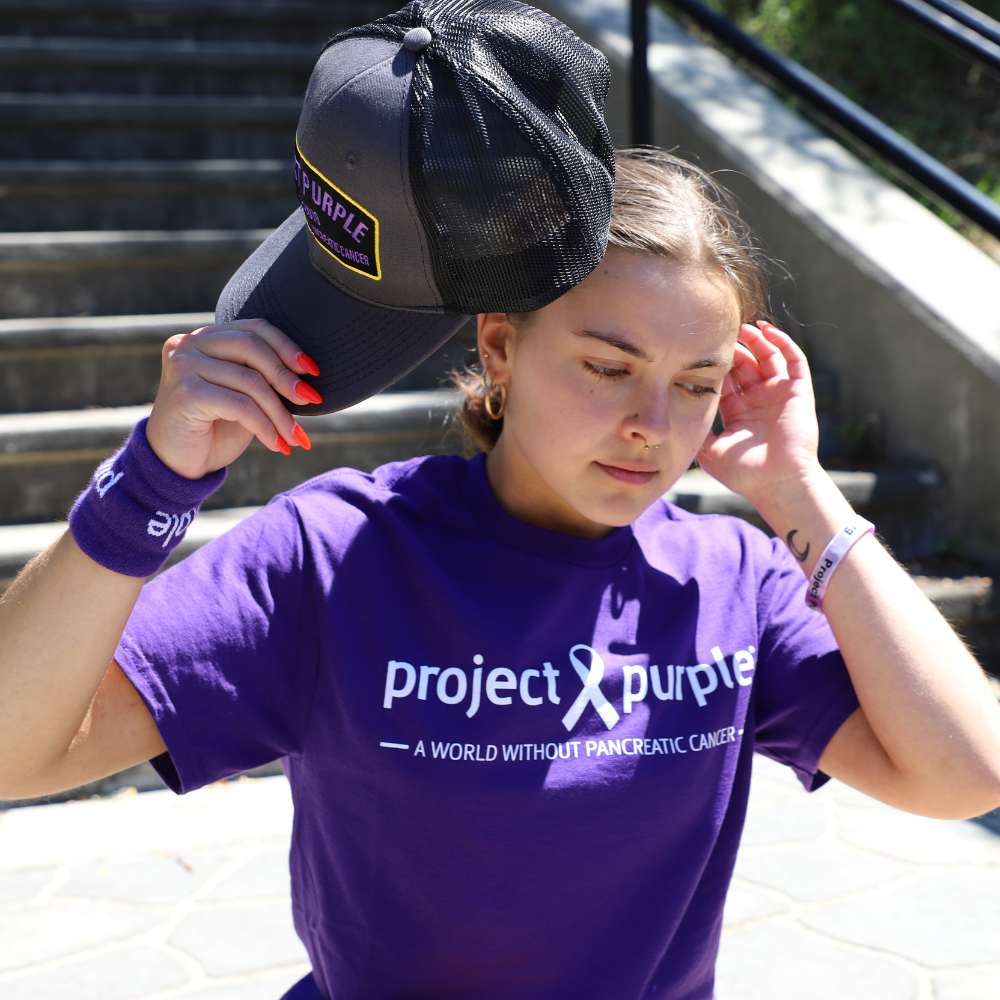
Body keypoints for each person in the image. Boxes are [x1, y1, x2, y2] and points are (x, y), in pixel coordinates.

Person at [2, 136, 999, 1000]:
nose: (652, 425)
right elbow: (19, 750)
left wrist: (803, 495)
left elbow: (963, 772)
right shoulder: (340, 553)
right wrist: (147, 486)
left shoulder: (733, 578)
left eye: (695, 383)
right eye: (608, 367)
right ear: (501, 344)